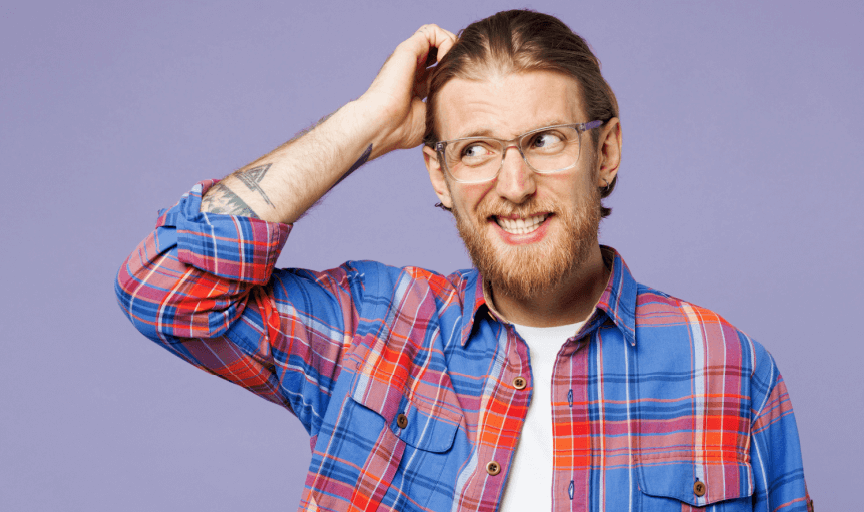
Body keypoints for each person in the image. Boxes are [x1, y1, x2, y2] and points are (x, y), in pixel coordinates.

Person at [116, 9, 812, 512]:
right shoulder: (371, 332)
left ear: (605, 154)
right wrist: (368, 122)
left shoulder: (729, 370)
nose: (513, 185)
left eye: (544, 140)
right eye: (473, 149)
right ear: (438, 176)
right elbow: (162, 288)